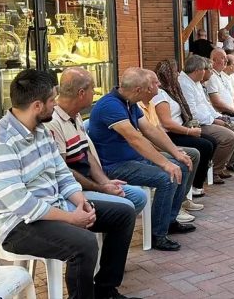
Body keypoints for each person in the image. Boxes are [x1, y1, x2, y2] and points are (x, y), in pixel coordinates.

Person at [0, 69, 137, 299]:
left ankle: (105, 291)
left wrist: (81, 202)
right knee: (85, 244)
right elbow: (23, 205)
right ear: (37, 106)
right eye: (52, 100)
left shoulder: (40, 131)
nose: (56, 105)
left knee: (124, 213)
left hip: (55, 206)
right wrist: (71, 218)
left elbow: (62, 173)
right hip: (18, 226)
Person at [88, 67, 196, 252]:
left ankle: (169, 221)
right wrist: (165, 163)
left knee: (183, 166)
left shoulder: (129, 103)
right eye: (152, 85)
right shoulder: (110, 105)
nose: (158, 86)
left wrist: (175, 153)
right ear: (139, 90)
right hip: (115, 167)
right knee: (166, 177)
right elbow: (135, 138)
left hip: (133, 161)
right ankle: (157, 234)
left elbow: (150, 130)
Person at [46, 67, 147, 215]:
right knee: (125, 208)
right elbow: (63, 172)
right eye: (92, 89)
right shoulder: (53, 122)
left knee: (138, 196)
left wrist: (105, 182)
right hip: (73, 191)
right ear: (81, 93)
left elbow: (87, 153)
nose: (94, 93)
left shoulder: (75, 114)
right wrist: (100, 187)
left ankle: (111, 229)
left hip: (91, 182)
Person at [153, 59, 216, 197]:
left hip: (180, 129)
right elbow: (167, 123)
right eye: (174, 71)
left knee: (210, 142)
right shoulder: (160, 94)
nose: (177, 74)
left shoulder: (172, 89)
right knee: (204, 146)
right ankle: (193, 187)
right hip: (170, 134)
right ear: (167, 74)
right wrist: (189, 131)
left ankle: (197, 182)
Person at [179, 55, 234, 182]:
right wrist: (213, 120)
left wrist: (219, 117)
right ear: (197, 70)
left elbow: (206, 105)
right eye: (205, 69)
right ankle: (214, 171)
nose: (207, 72)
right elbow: (192, 113)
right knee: (228, 136)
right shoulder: (185, 84)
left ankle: (224, 164)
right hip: (196, 124)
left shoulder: (196, 82)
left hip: (207, 119)